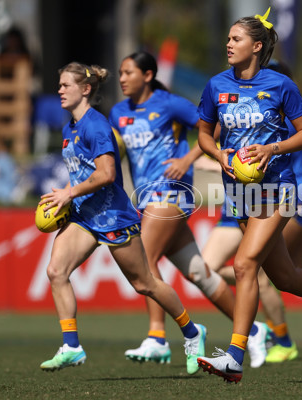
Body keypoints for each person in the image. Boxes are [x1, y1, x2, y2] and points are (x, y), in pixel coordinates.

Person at [195, 8, 302, 383]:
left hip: (279, 189)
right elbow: (204, 135)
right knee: (286, 277)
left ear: (256, 46)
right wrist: (219, 153)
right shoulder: (215, 85)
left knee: (243, 266)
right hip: (239, 194)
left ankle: (236, 356)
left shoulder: (280, 85)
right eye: (227, 38)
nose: (228, 44)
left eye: (236, 39)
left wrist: (271, 150)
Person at [38, 62, 206, 374]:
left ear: (85, 89)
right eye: (59, 85)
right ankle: (72, 346)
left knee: (146, 284)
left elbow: (107, 174)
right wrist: (66, 196)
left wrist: (69, 193)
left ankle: (193, 333)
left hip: (113, 217)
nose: (59, 90)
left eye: (66, 85)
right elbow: (84, 172)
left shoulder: (96, 125)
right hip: (84, 217)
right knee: (56, 271)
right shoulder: (69, 128)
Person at [108, 51, 270, 369]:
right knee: (199, 274)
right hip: (146, 198)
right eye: (120, 73)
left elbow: (214, 127)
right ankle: (253, 330)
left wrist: (187, 160)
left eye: (129, 72)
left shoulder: (170, 104)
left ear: (148, 75)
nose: (123, 78)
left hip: (172, 194)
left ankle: (157, 338)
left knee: (145, 262)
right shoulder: (117, 113)